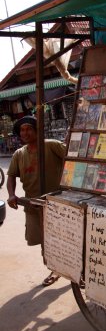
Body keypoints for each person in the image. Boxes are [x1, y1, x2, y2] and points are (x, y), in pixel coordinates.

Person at [7, 116, 66, 287]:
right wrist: (11, 194)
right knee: (43, 240)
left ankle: (73, 269)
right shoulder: (19, 154)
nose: (25, 133)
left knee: (65, 238)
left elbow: (72, 157)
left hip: (57, 203)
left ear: (37, 130)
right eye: (22, 130)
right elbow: (11, 176)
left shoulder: (51, 145)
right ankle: (55, 269)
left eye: (28, 129)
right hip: (33, 205)